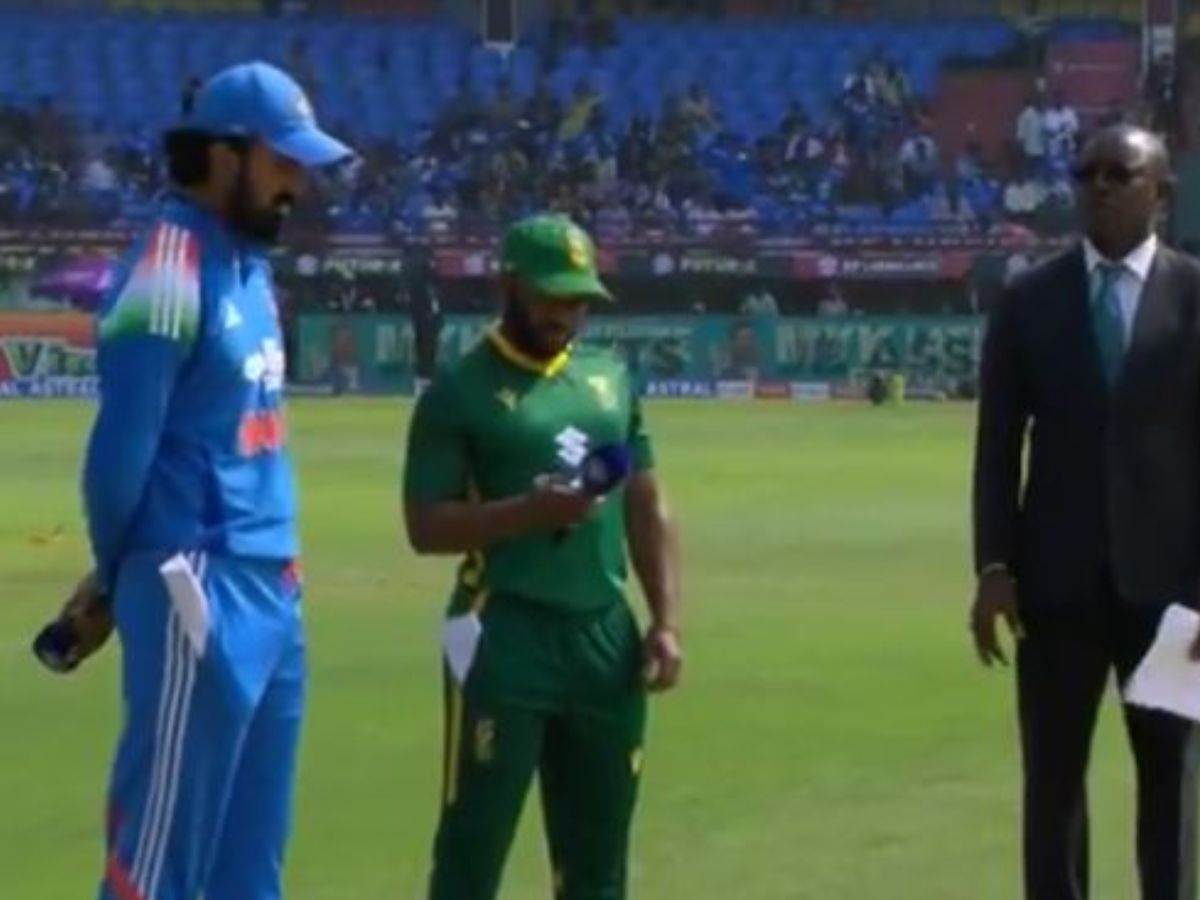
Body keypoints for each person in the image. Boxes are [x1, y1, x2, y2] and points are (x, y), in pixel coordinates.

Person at [39, 61, 353, 900]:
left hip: (271, 583)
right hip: (198, 586)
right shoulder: (167, 269)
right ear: (223, 155)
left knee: (249, 867)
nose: (296, 185)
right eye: (282, 162)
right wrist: (118, 578)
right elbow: (119, 457)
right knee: (160, 866)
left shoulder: (247, 263)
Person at [402, 213, 683, 900]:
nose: (566, 313)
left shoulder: (608, 378)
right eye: (551, 296)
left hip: (603, 635)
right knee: (473, 846)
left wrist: (665, 620)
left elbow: (645, 501)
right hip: (501, 629)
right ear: (508, 286)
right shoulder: (460, 390)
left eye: (579, 299)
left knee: (598, 860)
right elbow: (425, 526)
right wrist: (529, 513)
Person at [971, 124, 1200, 900]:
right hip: (1055, 585)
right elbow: (997, 446)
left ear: (1162, 193)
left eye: (1118, 173)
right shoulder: (1029, 300)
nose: (1098, 186)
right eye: (1086, 173)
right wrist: (994, 565)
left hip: (1173, 596)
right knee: (1053, 782)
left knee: (1170, 781)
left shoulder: (1194, 296)